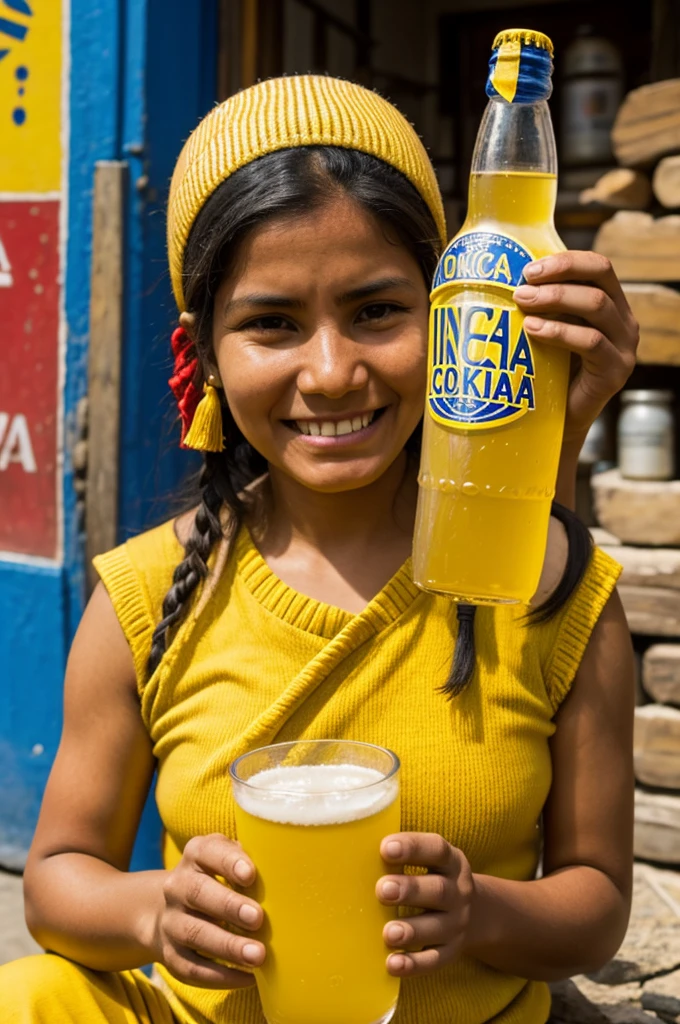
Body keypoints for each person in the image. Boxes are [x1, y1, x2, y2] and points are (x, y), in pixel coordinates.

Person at [1, 75, 638, 1024]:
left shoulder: (549, 589)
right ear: (202, 354)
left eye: (380, 311)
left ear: (453, 313)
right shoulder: (142, 597)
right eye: (271, 324)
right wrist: (153, 912)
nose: (333, 374)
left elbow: (596, 904)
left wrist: (478, 912)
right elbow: (57, 877)